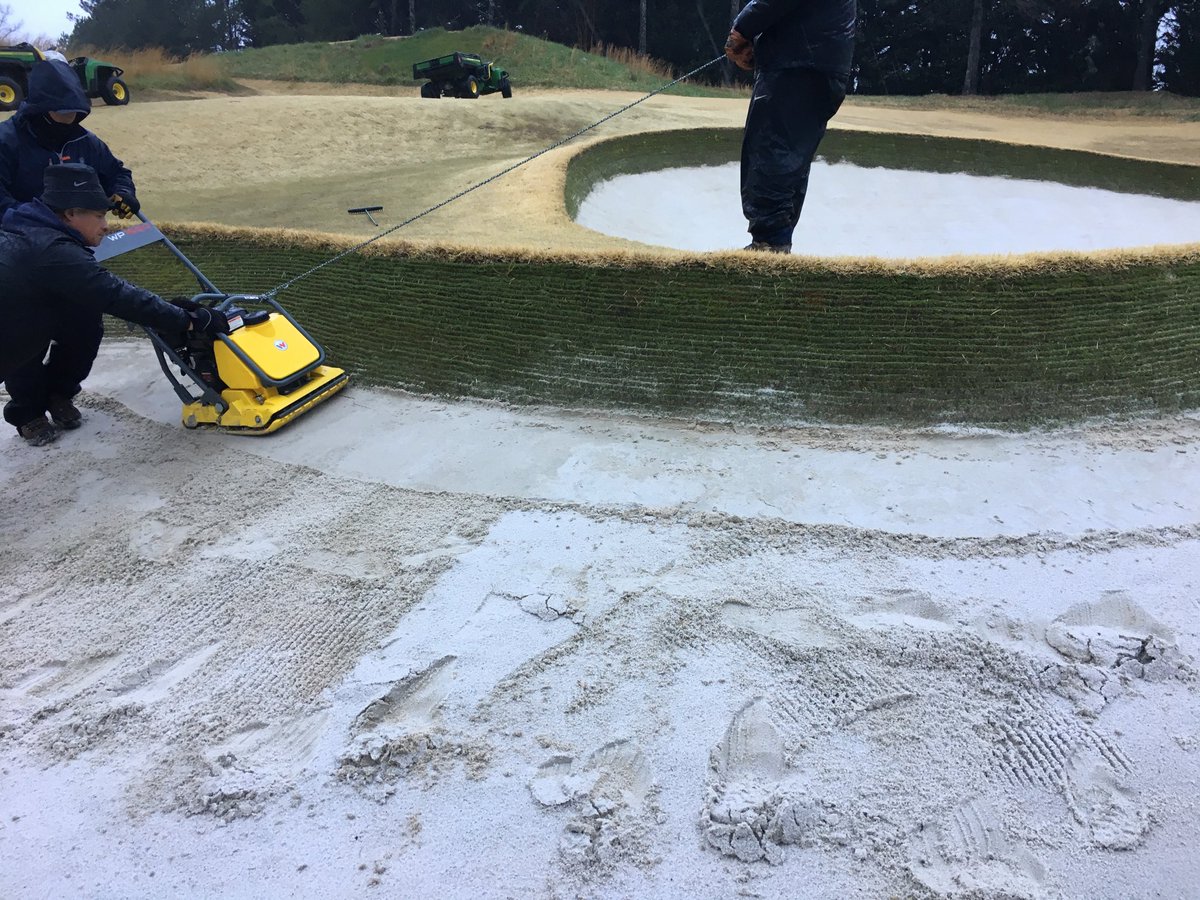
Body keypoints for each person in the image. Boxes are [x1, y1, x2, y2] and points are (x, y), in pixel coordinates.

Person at [0, 164, 229, 446]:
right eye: (98, 216)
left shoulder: (34, 230)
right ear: (70, 214)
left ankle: (56, 395)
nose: (106, 225)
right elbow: (117, 295)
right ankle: (28, 412)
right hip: (9, 337)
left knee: (84, 321)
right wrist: (188, 320)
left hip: (25, 323)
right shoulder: (51, 250)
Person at [0, 58, 147, 444]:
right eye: (61, 113)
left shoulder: (85, 142)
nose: (69, 120)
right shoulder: (7, 141)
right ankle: (28, 412)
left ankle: (60, 393)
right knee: (27, 340)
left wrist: (123, 192)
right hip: (24, 260)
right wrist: (40, 225)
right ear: (40, 108)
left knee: (85, 329)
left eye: (74, 113)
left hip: (72, 257)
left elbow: (116, 171)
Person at [725, 0, 857, 253]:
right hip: (817, 64)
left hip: (797, 65)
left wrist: (742, 28)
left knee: (771, 152)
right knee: (790, 160)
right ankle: (775, 243)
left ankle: (770, 245)